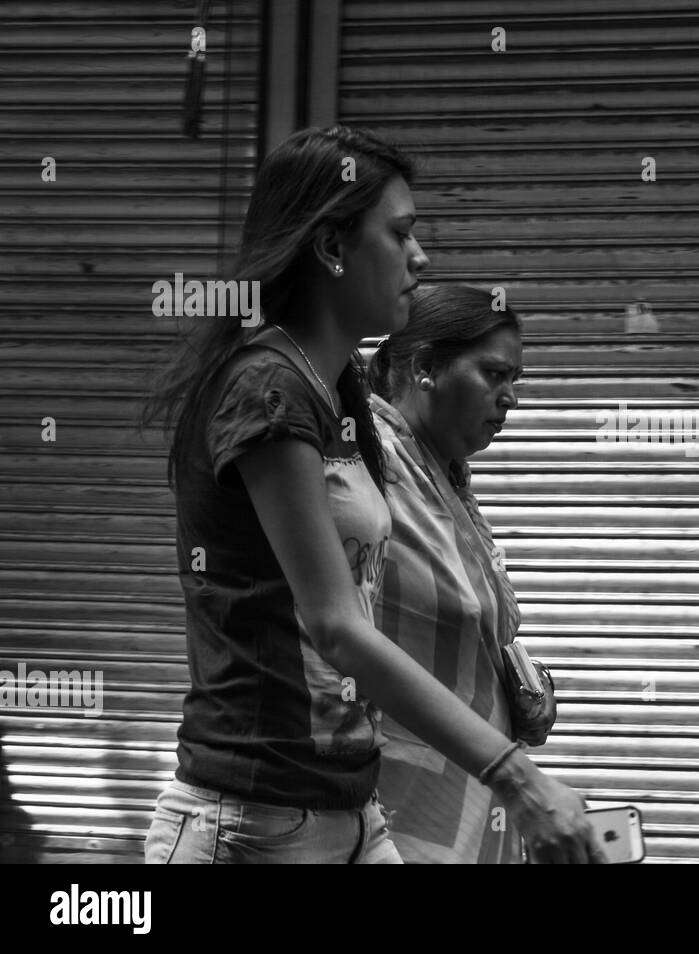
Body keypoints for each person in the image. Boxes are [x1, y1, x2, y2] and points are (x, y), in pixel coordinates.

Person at [137, 125, 604, 863]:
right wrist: (516, 776)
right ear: (331, 247)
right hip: (253, 821)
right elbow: (336, 627)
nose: (419, 259)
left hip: (349, 808)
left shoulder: (342, 390)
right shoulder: (267, 389)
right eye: (400, 234)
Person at [367, 284, 556, 863]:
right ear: (425, 368)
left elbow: (469, 625)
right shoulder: (368, 467)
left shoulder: (445, 480)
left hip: (469, 811)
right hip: (401, 817)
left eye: (515, 379)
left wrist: (525, 684)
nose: (511, 398)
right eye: (495, 375)